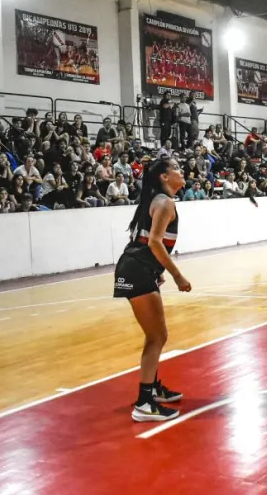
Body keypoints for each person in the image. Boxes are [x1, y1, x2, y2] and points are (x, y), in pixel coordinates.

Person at [113, 158, 192, 422]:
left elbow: (146, 241)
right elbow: (156, 243)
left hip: (138, 269)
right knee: (157, 336)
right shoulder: (165, 202)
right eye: (177, 169)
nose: (182, 172)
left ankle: (153, 388)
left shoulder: (158, 200)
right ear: (164, 177)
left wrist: (156, 273)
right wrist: (177, 275)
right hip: (136, 270)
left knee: (155, 336)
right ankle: (144, 403)